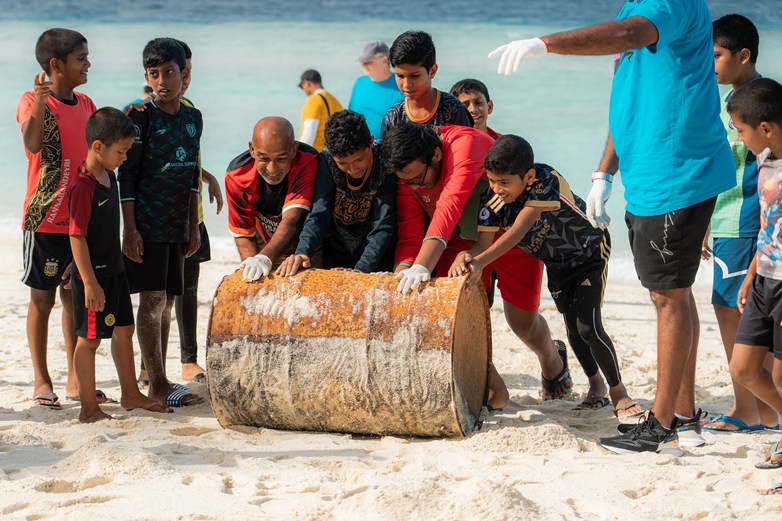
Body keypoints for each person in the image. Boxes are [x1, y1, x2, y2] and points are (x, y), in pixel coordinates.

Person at [489, 0, 735, 454]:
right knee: (672, 292)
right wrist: (604, 172)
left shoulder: (668, 4)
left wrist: (545, 44)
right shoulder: (634, 5)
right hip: (647, 173)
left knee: (669, 296)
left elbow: (626, 35)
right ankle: (682, 412)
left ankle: (663, 425)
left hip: (678, 172)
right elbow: (629, 100)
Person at [449, 135, 641, 416]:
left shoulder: (544, 179)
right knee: (573, 329)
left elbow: (521, 228)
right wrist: (466, 256)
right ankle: (596, 386)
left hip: (589, 252)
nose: (497, 189)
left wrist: (480, 261)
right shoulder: (491, 201)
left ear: (527, 176)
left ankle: (619, 393)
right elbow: (482, 244)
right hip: (557, 264)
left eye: (504, 182)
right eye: (492, 180)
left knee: (588, 326)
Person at [384, 122, 569, 410]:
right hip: (464, 242)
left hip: (513, 238)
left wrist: (423, 264)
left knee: (522, 323)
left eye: (419, 179)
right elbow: (409, 230)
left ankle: (552, 361)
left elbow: (449, 204)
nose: (416, 187)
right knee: (458, 313)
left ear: (434, 155)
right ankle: (494, 391)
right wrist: (405, 269)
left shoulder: (463, 145)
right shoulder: (410, 172)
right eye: (408, 182)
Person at [68, 107, 171, 422]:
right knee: (89, 340)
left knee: (124, 329)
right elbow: (77, 238)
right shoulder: (83, 186)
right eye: (121, 152)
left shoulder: (109, 175)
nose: (124, 157)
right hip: (94, 280)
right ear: (98, 147)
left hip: (115, 273)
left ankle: (130, 393)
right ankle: (88, 407)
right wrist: (88, 281)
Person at [701, 15, 778, 433]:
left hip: (744, 221)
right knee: (737, 309)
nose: (708, 63)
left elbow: (766, 170)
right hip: (726, 218)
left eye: (715, 55)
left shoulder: (759, 102)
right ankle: (756, 408)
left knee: (737, 311)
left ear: (743, 55)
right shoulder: (734, 99)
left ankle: (753, 409)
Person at [118, 38, 202, 408]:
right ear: (147, 77)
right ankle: (156, 384)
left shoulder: (193, 117)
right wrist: (130, 229)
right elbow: (128, 176)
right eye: (154, 74)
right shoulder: (140, 118)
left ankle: (161, 378)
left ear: (184, 74)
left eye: (169, 72)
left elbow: (192, 173)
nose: (162, 80)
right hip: (148, 225)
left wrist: (193, 225)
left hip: (177, 227)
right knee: (151, 303)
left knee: (167, 303)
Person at [16, 28, 96, 409]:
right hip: (44, 218)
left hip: (79, 221)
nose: (88, 64)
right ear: (56, 65)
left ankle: (75, 379)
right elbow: (32, 144)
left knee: (74, 299)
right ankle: (40, 378)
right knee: (42, 299)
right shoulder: (33, 100)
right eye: (81, 59)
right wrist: (39, 106)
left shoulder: (86, 103)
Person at [724, 78, 782, 480]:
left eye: (742, 131)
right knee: (742, 367)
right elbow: (767, 223)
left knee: (779, 372)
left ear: (766, 127)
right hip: (763, 276)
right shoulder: (765, 160)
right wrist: (749, 275)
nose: (741, 140)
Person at [276, 110, 395, 277]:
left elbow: (383, 225)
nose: (353, 170)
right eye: (343, 163)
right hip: (337, 253)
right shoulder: (326, 160)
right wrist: (302, 253)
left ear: (370, 142)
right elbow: (319, 213)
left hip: (379, 258)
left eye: (359, 160)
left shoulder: (385, 161)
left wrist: (361, 270)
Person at [173, 39, 223, 384]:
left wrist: (209, 178)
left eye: (189, 69)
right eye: (182, 69)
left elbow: (185, 160)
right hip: (163, 222)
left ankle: (189, 360)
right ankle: (150, 367)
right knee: (159, 297)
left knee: (189, 290)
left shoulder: (190, 109)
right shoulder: (144, 114)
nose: (186, 76)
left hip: (196, 219)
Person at [225, 117, 322, 280]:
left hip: (307, 243)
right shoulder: (237, 176)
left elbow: (293, 219)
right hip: (264, 238)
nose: (272, 168)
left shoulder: (308, 160)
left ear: (294, 150)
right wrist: (252, 263)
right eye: (263, 158)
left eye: (281, 159)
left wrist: (265, 258)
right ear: (252, 149)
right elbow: (244, 233)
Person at [379, 31, 473, 139]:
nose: (406, 84)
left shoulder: (454, 111)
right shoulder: (393, 118)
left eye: (414, 76)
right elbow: (385, 154)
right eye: (400, 76)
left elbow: (468, 150)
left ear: (432, 71)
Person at [347, 41, 404, 139]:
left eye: (368, 62)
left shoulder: (401, 86)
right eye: (362, 62)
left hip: (386, 149)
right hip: (357, 148)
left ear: (384, 60)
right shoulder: (359, 83)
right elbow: (350, 117)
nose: (363, 65)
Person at [298, 69, 343, 152]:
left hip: (317, 153)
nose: (303, 90)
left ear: (307, 83)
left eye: (302, 86)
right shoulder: (334, 100)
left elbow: (309, 131)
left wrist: (301, 153)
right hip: (333, 153)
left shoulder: (313, 100)